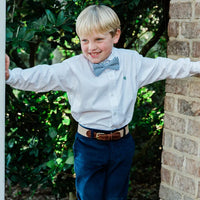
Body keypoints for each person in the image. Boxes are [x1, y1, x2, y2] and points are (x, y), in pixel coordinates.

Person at [5, 4, 200, 200]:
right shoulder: (73, 68)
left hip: (123, 144)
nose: (91, 47)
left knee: (117, 196)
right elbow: (42, 76)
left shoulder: (131, 62)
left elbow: (164, 67)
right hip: (89, 146)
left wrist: (195, 67)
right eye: (85, 41)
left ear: (115, 36)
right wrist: (10, 76)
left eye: (99, 39)